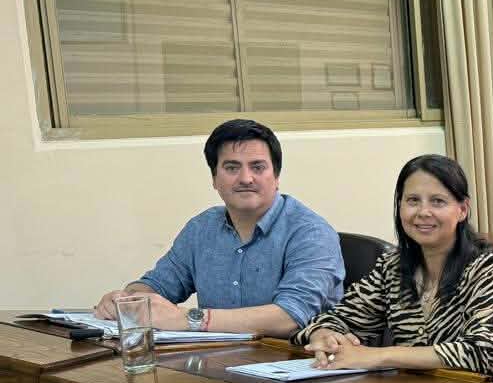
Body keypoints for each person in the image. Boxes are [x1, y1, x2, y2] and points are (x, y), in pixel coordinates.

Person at [93, 119, 343, 336]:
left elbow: (290, 317)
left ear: (276, 177)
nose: (246, 178)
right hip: (216, 360)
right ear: (214, 179)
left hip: (292, 362)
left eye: (258, 167)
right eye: (232, 168)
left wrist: (189, 319)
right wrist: (127, 299)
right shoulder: (202, 228)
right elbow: (158, 285)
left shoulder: (311, 233)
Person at [293, 155, 493, 377]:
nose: (423, 212)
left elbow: (483, 353)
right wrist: (324, 335)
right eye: (413, 200)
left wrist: (379, 356)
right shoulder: (392, 266)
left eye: (437, 201)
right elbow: (337, 317)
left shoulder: (485, 267)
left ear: (462, 209)